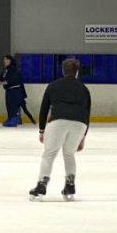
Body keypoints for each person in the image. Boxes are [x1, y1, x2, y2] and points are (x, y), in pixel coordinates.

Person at [29, 59, 92, 201]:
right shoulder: (83, 89)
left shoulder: (53, 86)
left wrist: (41, 130)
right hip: (79, 123)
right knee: (69, 153)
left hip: (59, 120)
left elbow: (44, 108)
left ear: (63, 71)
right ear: (77, 72)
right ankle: (70, 184)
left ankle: (42, 183)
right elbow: (87, 112)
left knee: (49, 153)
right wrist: (83, 136)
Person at [0, 55, 35, 127]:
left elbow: (15, 78)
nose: (4, 61)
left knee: (13, 105)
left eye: (5, 60)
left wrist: (6, 82)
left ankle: (14, 119)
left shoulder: (13, 69)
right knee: (9, 104)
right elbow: (1, 77)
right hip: (10, 90)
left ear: (9, 61)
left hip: (15, 91)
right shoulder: (6, 70)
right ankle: (11, 118)